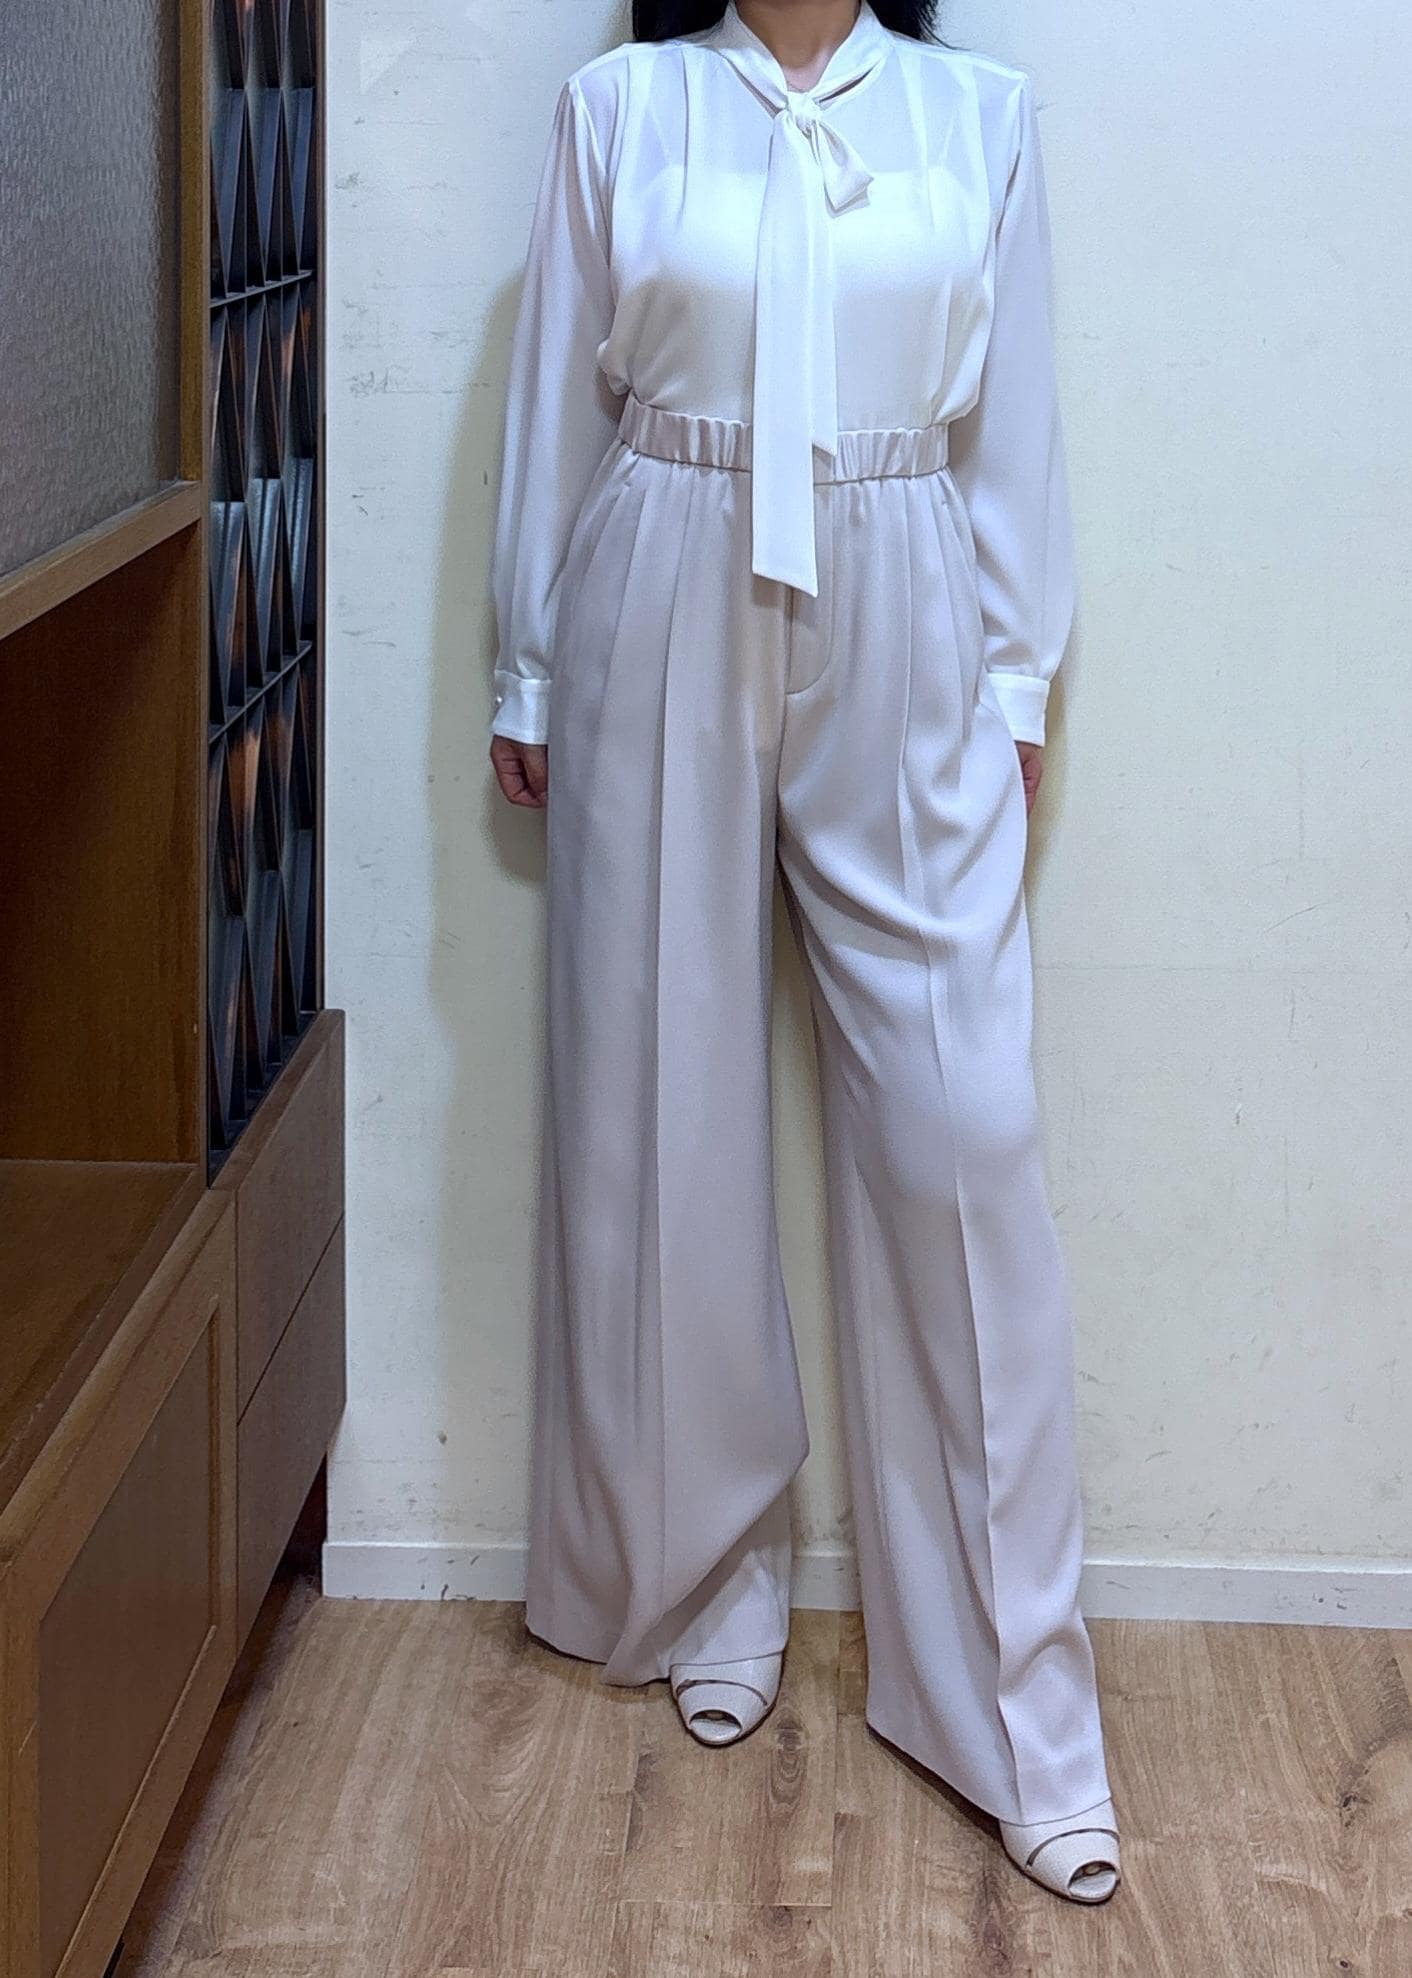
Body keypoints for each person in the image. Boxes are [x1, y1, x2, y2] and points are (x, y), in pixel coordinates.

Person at [487, 0, 1121, 1904]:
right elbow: (557, 399)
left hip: (904, 576)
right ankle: (704, 1579)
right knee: (658, 1095)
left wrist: (1016, 671)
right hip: (660, 565)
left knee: (962, 1129)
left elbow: (1013, 429)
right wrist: (527, 663)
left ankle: (1011, 1702)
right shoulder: (620, 108)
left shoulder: (977, 117)